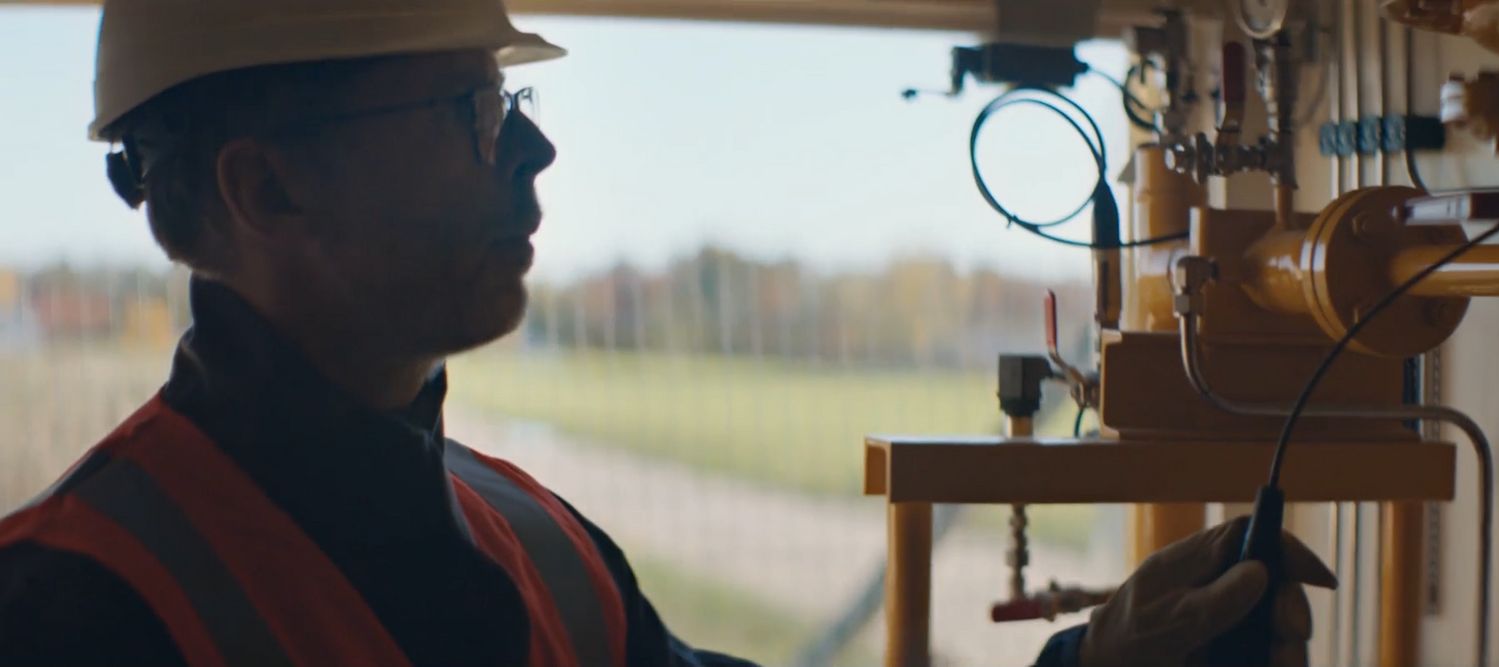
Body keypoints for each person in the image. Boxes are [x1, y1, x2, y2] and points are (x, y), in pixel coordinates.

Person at [0, 1, 1336, 665]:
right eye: (471, 110)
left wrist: (1092, 662)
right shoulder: (68, 608)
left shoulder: (545, 551)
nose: (533, 148)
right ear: (264, 187)